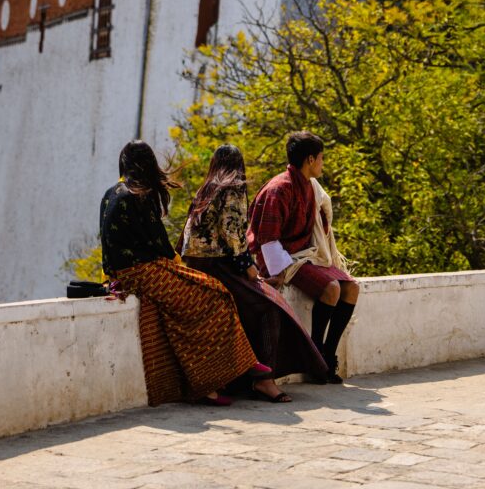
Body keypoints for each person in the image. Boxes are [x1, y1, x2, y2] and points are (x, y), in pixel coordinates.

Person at [100, 139, 273, 407]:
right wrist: (177, 267)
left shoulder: (111, 192)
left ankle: (223, 374)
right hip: (142, 272)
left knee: (189, 305)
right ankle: (232, 371)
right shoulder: (138, 195)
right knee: (214, 294)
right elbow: (160, 245)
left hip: (120, 274)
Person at [181, 144, 328, 400]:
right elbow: (233, 235)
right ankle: (264, 380)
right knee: (270, 307)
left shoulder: (207, 188)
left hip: (195, 265)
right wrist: (249, 270)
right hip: (218, 265)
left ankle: (244, 378)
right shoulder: (233, 188)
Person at [248, 130, 359, 383]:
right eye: (321, 158)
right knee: (331, 289)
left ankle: (328, 355)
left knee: (351, 288)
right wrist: (276, 272)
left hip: (304, 255)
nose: (323, 163)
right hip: (282, 258)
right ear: (310, 160)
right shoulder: (279, 189)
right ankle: (316, 358)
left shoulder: (310, 187)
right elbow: (267, 239)